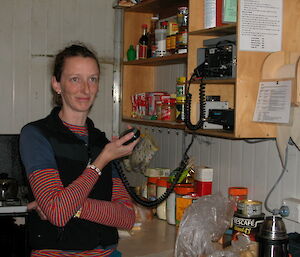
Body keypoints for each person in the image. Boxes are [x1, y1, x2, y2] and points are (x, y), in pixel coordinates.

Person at [19, 43, 138, 256]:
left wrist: (73, 206)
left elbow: (127, 217)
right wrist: (101, 161)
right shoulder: (36, 135)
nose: (85, 89)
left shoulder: (103, 143)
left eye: (92, 79)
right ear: (57, 84)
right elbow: (58, 215)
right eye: (75, 79)